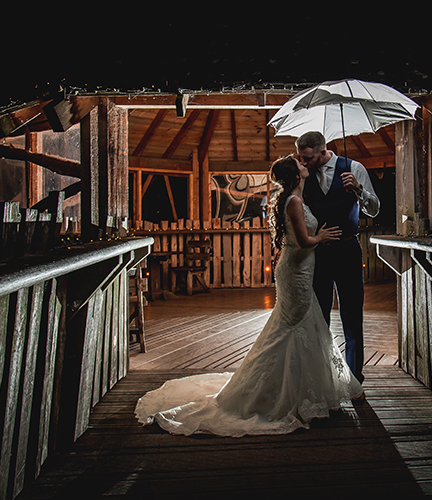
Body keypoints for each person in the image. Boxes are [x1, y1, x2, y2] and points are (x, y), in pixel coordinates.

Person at [134, 155, 364, 437]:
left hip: (301, 270)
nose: (305, 164)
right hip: (296, 270)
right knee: (292, 326)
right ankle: (278, 393)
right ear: (296, 176)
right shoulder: (293, 202)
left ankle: (303, 389)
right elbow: (304, 241)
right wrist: (322, 237)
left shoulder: (295, 199)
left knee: (301, 325)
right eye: (300, 164)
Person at [296, 131, 380, 384]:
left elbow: (374, 209)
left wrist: (359, 189)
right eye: (301, 157)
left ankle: (355, 380)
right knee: (318, 317)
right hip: (317, 254)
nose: (304, 162)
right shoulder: (302, 174)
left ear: (323, 152)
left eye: (308, 158)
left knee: (352, 316)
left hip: (348, 251)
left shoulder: (354, 168)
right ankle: (322, 380)